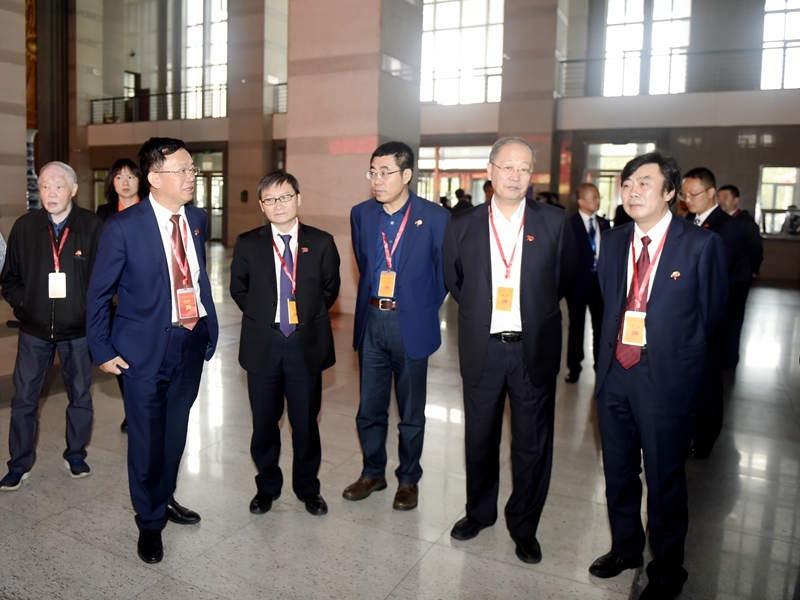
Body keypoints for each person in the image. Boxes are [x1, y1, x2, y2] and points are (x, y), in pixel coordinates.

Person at [589, 152, 728, 600]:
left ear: (670, 192)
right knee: (618, 470)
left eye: (644, 183)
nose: (633, 191)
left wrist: (671, 352)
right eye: (628, 183)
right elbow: (608, 304)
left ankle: (668, 571)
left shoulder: (700, 244)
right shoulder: (613, 240)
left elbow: (711, 316)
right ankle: (626, 548)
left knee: (665, 480)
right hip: (615, 373)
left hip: (664, 377)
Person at [442, 137, 576, 564]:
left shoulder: (555, 221)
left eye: (524, 168)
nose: (515, 176)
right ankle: (479, 512)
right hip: (482, 347)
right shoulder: (462, 223)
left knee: (532, 444)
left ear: (531, 175)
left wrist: (532, 310)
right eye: (507, 166)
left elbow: (565, 280)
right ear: (490, 171)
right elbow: (454, 280)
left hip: (532, 348)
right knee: (480, 438)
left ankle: (524, 524)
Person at [86, 137, 219, 564]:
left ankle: (165, 497)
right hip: (142, 350)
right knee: (146, 439)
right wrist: (102, 349)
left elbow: (196, 275)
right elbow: (98, 294)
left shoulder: (196, 218)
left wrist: (208, 328)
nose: (191, 176)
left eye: (191, 168)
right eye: (182, 170)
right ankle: (149, 521)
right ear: (155, 177)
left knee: (175, 433)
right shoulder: (123, 226)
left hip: (190, 341)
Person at [344, 141, 449, 511]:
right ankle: (373, 472)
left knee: (411, 412)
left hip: (411, 323)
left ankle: (408, 479)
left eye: (385, 172)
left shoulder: (435, 217)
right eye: (372, 172)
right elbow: (364, 262)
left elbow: (443, 274)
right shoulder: (361, 214)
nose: (377, 180)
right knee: (369, 408)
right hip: (372, 320)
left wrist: (420, 306)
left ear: (406, 175)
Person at [230, 170, 341, 518]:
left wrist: (302, 317)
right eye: (270, 199)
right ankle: (267, 486)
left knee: (305, 423)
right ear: (261, 206)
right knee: (264, 424)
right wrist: (266, 316)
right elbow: (239, 289)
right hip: (264, 344)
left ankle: (308, 488)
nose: (278, 205)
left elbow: (329, 289)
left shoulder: (321, 242)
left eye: (285, 197)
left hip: (304, 345)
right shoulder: (248, 243)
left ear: (298, 199)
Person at [0, 161, 103, 491]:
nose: (51, 192)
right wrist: (25, 304)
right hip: (34, 329)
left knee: (80, 396)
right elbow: (9, 278)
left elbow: (105, 280)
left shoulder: (93, 226)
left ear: (74, 189)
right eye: (44, 185)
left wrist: (89, 310)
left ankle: (76, 454)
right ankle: (19, 464)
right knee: (24, 399)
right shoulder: (25, 227)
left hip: (78, 330)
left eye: (59, 185)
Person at [680, 167, 749, 457]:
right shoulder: (687, 221)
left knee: (708, 379)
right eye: (684, 195)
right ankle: (687, 432)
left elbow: (714, 274)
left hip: (710, 314)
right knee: (689, 379)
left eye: (693, 194)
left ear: (711, 193)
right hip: (687, 314)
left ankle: (706, 439)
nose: (687, 200)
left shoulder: (727, 226)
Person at [98, 158, 149, 433]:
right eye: (119, 177)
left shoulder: (152, 209)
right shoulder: (103, 214)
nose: (125, 182)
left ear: (141, 180)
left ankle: (147, 407)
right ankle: (132, 411)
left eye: (131, 176)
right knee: (122, 357)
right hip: (116, 301)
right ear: (112, 183)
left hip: (149, 298)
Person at [565, 183, 610, 383]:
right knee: (576, 327)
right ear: (581, 201)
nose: (597, 200)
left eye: (598, 196)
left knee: (600, 327)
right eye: (593, 197)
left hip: (599, 285)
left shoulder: (604, 224)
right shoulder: (570, 224)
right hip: (577, 285)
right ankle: (574, 367)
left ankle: (600, 366)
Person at [716, 184, 763, 366]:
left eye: (725, 197)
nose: (721, 201)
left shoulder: (745, 222)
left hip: (738, 280)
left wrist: (754, 269)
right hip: (722, 280)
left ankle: (730, 358)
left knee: (734, 319)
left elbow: (756, 248)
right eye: (719, 197)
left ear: (736, 200)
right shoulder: (719, 221)